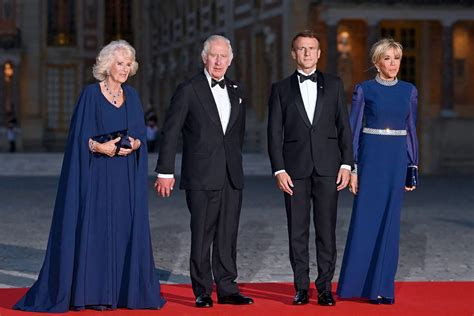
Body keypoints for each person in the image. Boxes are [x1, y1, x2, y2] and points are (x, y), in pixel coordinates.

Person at [14, 40, 166, 312]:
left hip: (124, 179)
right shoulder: (90, 95)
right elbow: (78, 139)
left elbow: (141, 136)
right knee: (95, 231)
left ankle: (121, 292)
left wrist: (134, 144)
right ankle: (93, 293)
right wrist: (99, 146)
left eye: (128, 64)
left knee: (123, 229)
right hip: (95, 175)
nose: (124, 68)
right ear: (107, 65)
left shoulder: (132, 96)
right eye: (120, 63)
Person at [154, 35, 253, 308]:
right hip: (200, 174)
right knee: (202, 234)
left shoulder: (237, 89)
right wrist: (165, 171)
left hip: (232, 174)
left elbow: (236, 134)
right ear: (204, 58)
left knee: (227, 234)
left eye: (224, 56)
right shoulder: (188, 89)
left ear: (230, 60)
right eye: (214, 55)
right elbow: (171, 131)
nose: (219, 61)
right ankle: (202, 290)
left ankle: (228, 288)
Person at [267, 30, 353, 306]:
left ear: (319, 53)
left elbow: (344, 128)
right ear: (294, 54)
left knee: (326, 230)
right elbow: (273, 133)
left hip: (329, 168)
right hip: (294, 171)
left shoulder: (335, 84)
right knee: (297, 231)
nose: (306, 53)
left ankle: (325, 287)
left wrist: (346, 164)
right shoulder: (280, 89)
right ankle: (301, 287)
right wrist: (279, 170)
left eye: (311, 48)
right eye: (301, 49)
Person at [337, 38, 419, 304]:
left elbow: (411, 131)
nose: (393, 63)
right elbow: (353, 130)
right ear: (376, 62)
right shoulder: (364, 89)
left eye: (396, 58)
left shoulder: (409, 90)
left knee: (390, 224)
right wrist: (354, 169)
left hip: (396, 160)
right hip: (371, 160)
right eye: (387, 58)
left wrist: (412, 166)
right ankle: (354, 286)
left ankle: (382, 287)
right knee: (365, 221)